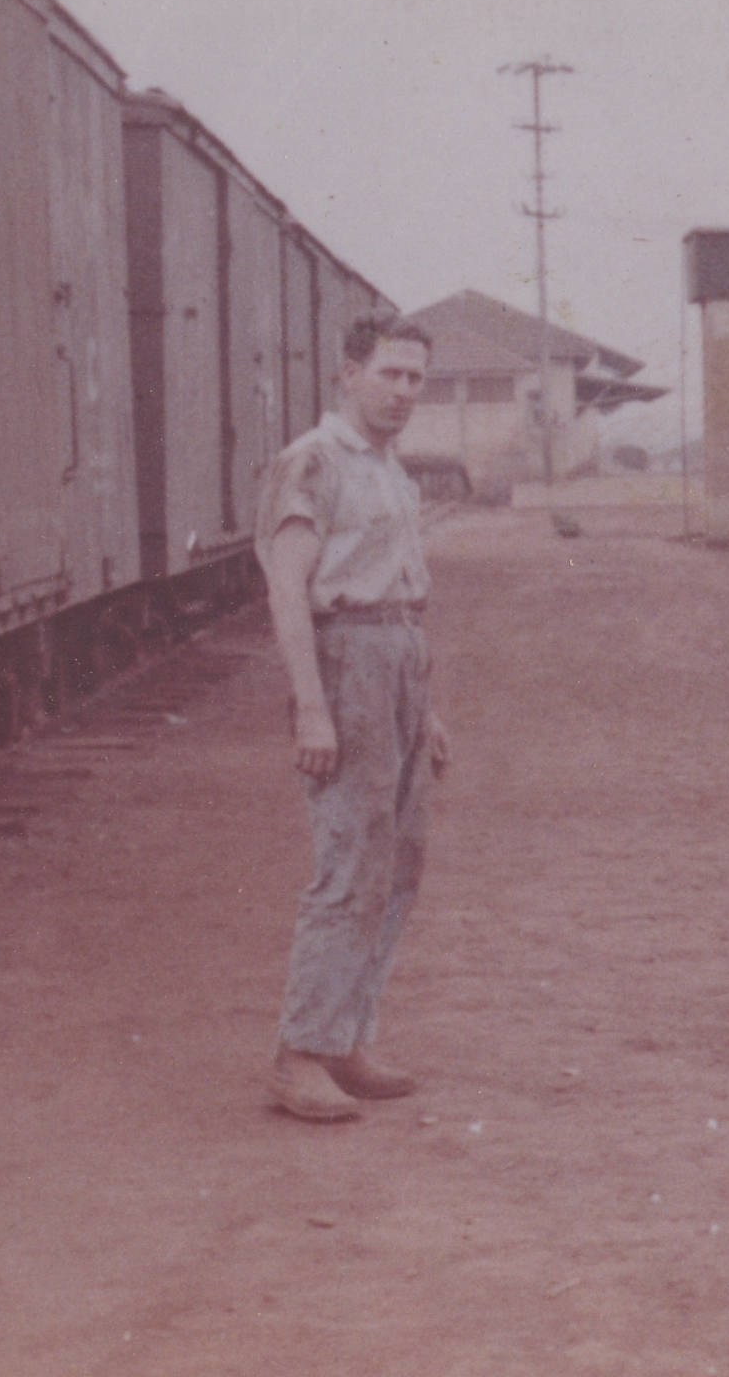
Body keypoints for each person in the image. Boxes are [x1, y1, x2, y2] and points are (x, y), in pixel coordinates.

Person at [258, 314, 452, 1122]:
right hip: (345, 666)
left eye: (415, 378)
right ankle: (299, 1054)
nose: (403, 391)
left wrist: (425, 709)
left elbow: (402, 594)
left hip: (399, 660)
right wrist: (312, 708)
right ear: (348, 374)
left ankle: (346, 1039)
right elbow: (286, 591)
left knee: (398, 863)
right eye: (388, 375)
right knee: (348, 865)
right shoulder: (312, 462)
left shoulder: (391, 472)